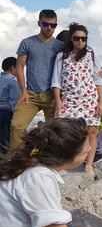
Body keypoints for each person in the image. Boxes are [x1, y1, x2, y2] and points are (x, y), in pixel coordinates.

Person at [0, 118, 90, 227]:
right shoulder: (39, 177)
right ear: (63, 158)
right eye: (85, 152)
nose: (91, 149)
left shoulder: (20, 167)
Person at [51, 23, 102, 176]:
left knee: (91, 132)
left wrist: (101, 102)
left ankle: (89, 165)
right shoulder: (62, 56)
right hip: (69, 99)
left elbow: (98, 79)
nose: (80, 41)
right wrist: (58, 102)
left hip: (89, 98)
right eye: (77, 38)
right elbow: (56, 81)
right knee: (64, 131)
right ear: (71, 39)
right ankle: (63, 162)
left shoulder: (90, 54)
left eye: (84, 38)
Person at [10, 10, 64, 150]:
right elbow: (19, 67)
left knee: (55, 131)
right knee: (17, 125)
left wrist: (97, 72)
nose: (49, 28)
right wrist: (23, 90)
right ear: (39, 23)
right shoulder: (27, 43)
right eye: (46, 24)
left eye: (53, 25)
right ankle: (17, 161)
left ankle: (52, 161)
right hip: (30, 94)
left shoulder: (59, 46)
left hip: (52, 95)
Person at [0, 57, 19, 149]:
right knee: (6, 136)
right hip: (7, 111)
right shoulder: (13, 82)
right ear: (12, 68)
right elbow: (14, 100)